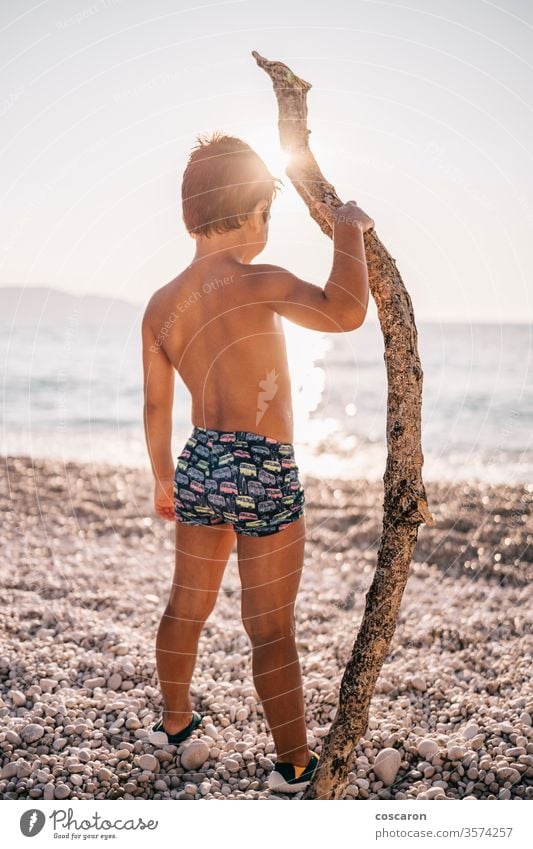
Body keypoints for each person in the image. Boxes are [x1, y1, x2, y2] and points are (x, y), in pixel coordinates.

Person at [141, 132, 374, 794]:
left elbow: (157, 407)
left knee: (187, 604)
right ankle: (293, 762)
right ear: (252, 214)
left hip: (200, 461)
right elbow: (346, 311)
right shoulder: (258, 280)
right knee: (270, 628)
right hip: (263, 466)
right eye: (265, 213)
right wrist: (347, 231)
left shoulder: (162, 306)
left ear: (190, 215)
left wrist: (162, 475)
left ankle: (174, 722)